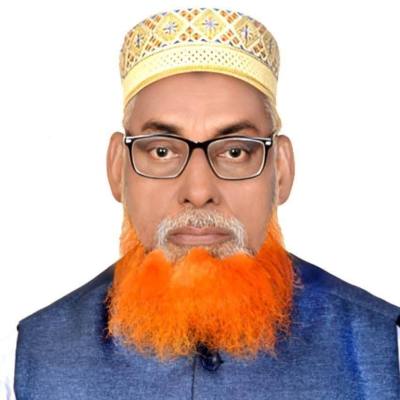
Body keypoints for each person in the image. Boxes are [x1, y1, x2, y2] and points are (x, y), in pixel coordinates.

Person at [1, 6, 400, 399]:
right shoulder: (26, 360)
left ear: (280, 171)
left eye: (235, 151)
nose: (198, 190)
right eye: (161, 151)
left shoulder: (384, 348)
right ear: (117, 169)